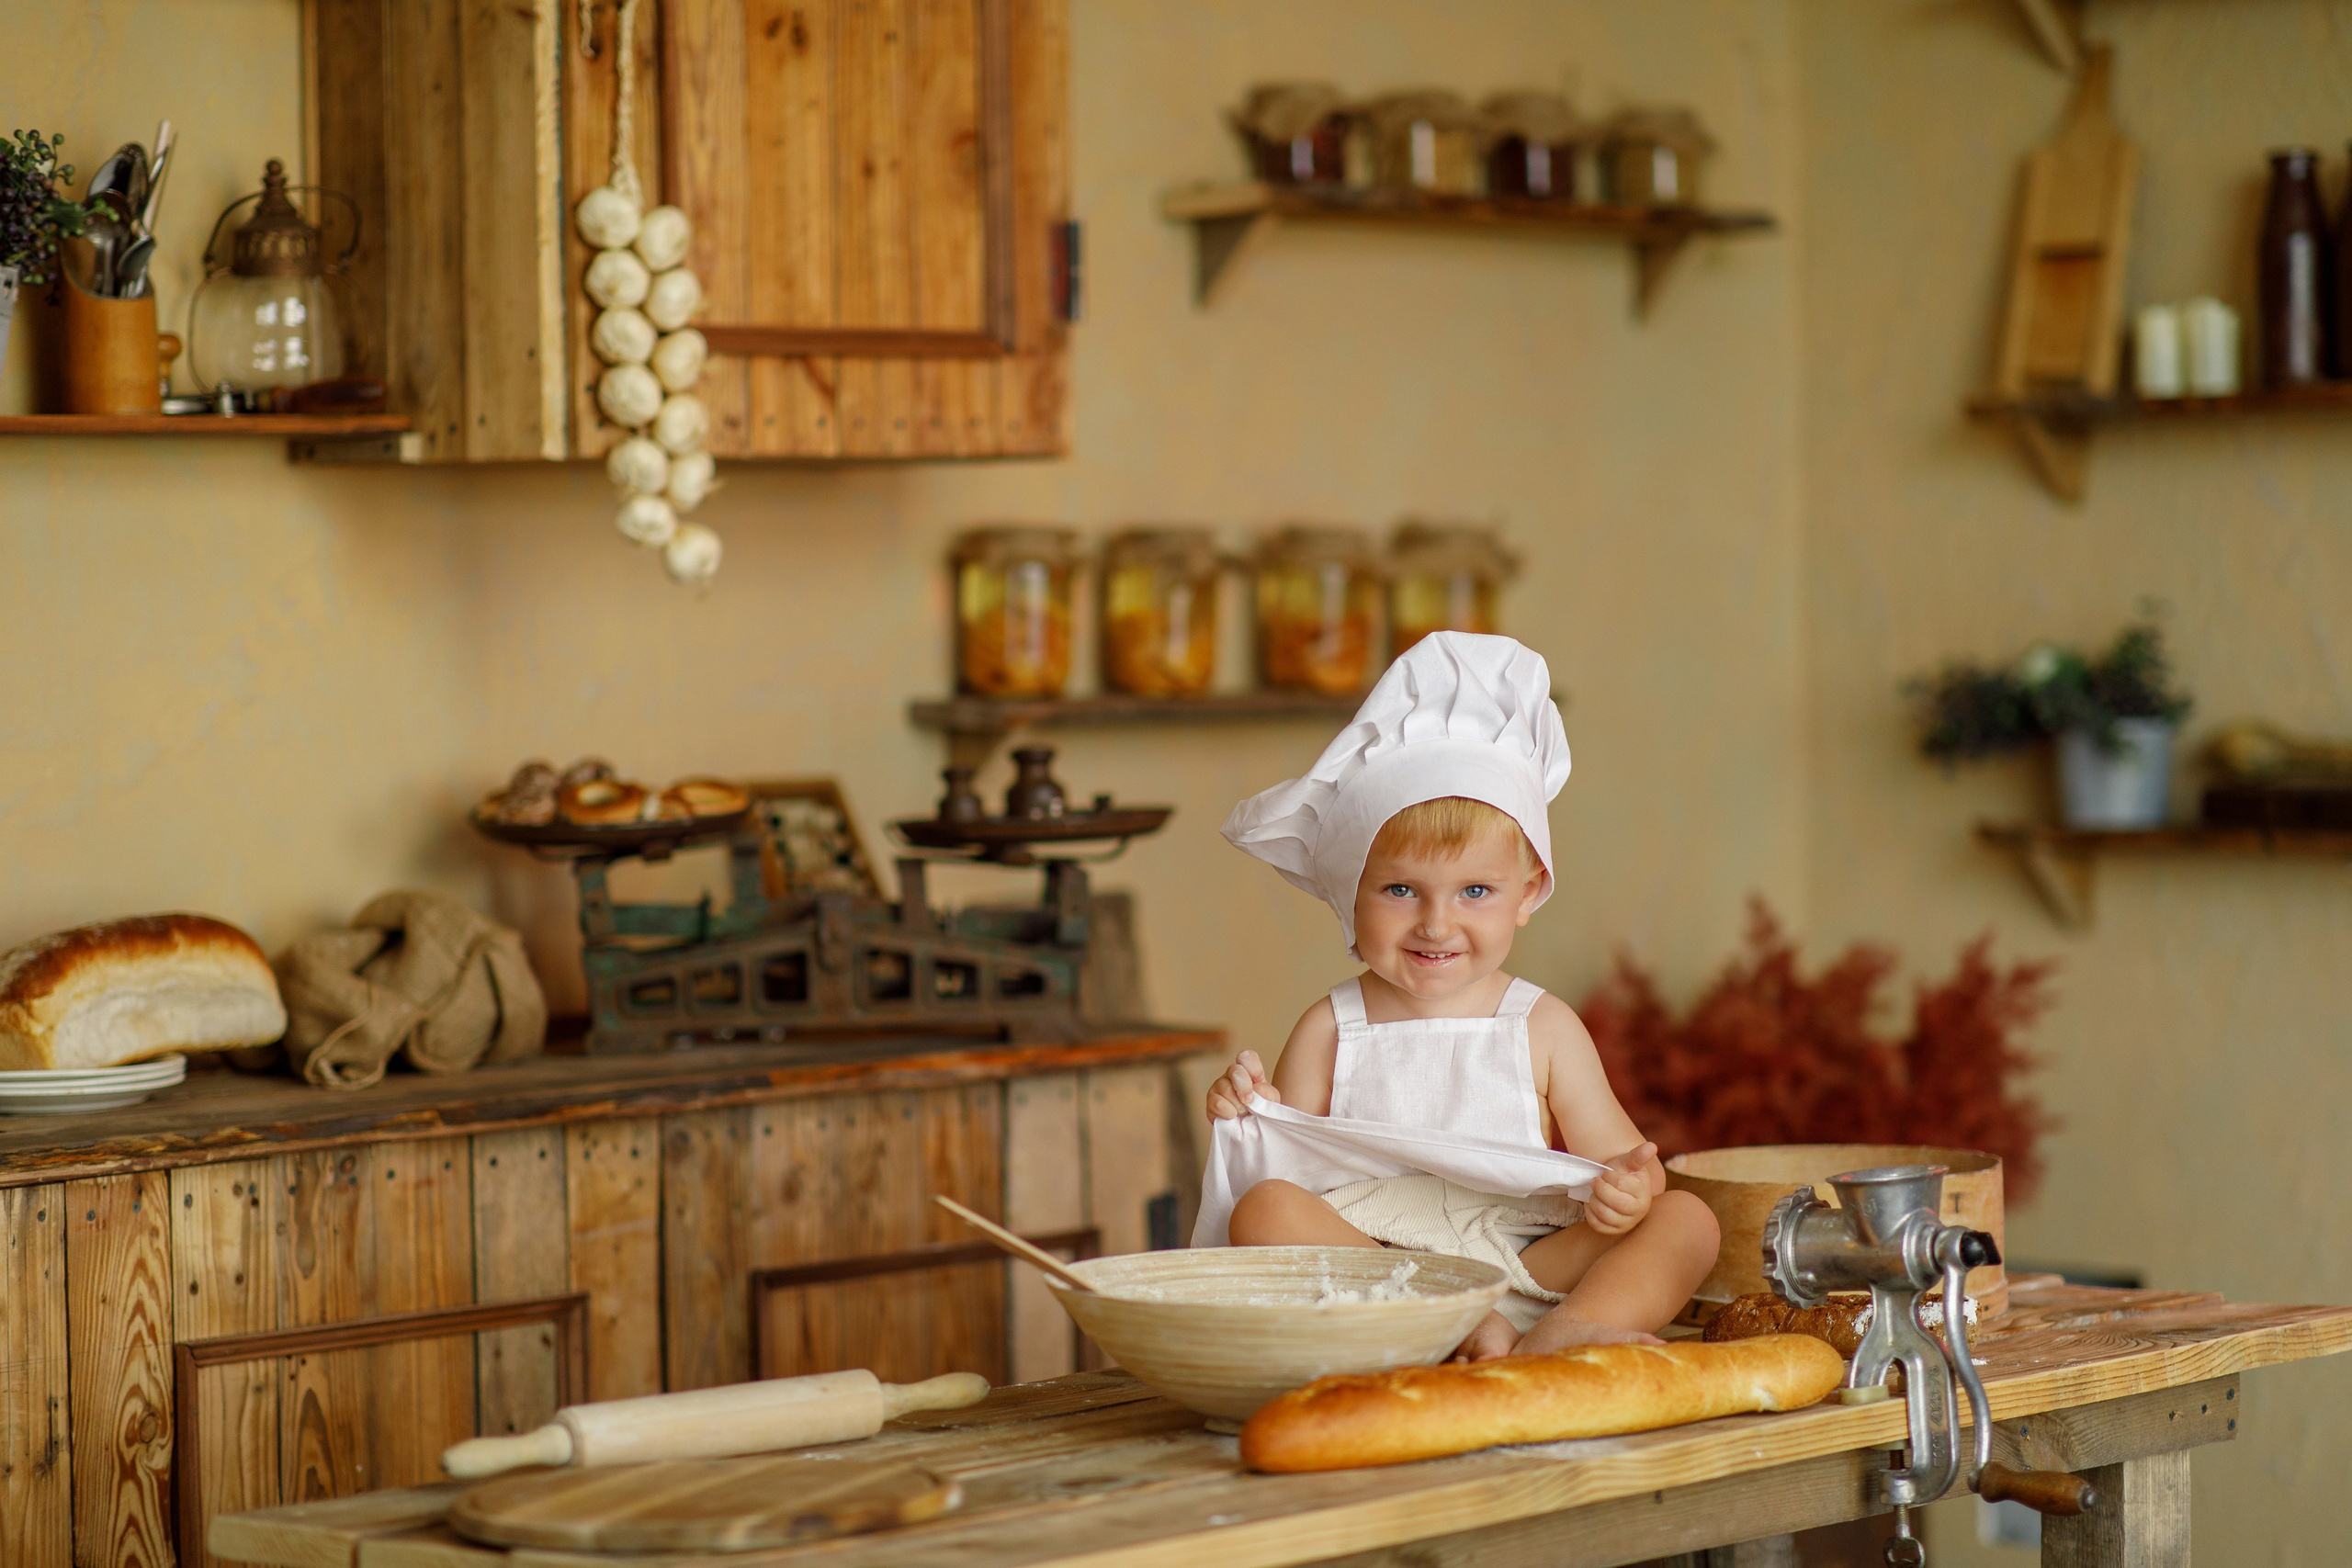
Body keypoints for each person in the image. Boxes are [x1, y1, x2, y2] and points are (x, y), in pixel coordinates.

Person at [1203, 632, 1718, 1359]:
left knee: (1687, 1219)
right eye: (1400, 889)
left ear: (1528, 891)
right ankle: (1453, 1324)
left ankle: (1566, 1333)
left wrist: (1629, 1191)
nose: (1437, 922)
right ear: (1352, 893)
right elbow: (1284, 1163)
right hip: (1385, 1268)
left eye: (1475, 890)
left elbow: (1628, 1160)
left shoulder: (1541, 1025)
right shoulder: (1332, 1025)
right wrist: (1244, 1106)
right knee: (1262, 1211)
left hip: (1528, 1260)